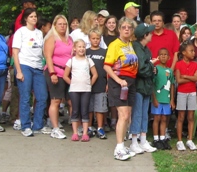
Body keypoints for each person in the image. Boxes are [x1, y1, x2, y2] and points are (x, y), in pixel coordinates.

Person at [105, 17, 139, 161]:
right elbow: (107, 65)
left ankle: (123, 145)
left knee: (128, 115)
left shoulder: (130, 44)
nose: (127, 30)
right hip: (119, 82)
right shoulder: (115, 45)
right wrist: (118, 80)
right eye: (124, 27)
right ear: (119, 29)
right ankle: (118, 148)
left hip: (130, 82)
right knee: (123, 114)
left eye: (129, 28)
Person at [12, 7, 46, 137]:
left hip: (37, 68)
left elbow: (41, 51)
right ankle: (25, 125)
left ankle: (37, 125)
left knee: (42, 97)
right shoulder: (21, 32)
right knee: (25, 97)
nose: (34, 18)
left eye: (35, 16)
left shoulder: (39, 33)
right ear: (26, 18)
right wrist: (19, 71)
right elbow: (15, 53)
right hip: (24, 65)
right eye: (31, 16)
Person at [43, 15, 73, 140]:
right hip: (55, 70)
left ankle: (76, 126)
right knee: (55, 100)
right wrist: (52, 73)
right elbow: (48, 57)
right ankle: (55, 128)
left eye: (64, 24)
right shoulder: (51, 38)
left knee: (71, 100)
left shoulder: (69, 38)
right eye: (60, 24)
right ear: (55, 25)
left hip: (68, 73)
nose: (62, 26)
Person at [130, 23, 157, 153]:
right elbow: (141, 69)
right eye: (150, 33)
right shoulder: (136, 47)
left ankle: (143, 139)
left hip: (146, 85)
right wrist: (151, 67)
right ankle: (134, 141)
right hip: (138, 85)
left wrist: (152, 68)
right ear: (144, 35)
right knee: (137, 113)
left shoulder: (146, 48)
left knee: (145, 113)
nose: (152, 34)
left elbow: (148, 67)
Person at [63, 40, 98, 142]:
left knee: (85, 111)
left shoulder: (88, 60)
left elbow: (95, 74)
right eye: (79, 47)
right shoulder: (71, 61)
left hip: (86, 90)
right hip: (74, 90)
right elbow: (65, 76)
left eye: (83, 47)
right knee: (75, 111)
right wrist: (72, 84)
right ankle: (75, 133)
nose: (81, 49)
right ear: (74, 48)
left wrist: (89, 84)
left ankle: (85, 133)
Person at [175, 41, 197, 151]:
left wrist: (185, 76)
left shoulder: (195, 64)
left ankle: (190, 139)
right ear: (184, 52)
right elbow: (178, 80)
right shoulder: (178, 64)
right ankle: (180, 141)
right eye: (191, 51)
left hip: (192, 92)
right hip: (181, 92)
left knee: (191, 116)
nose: (193, 53)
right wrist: (191, 77)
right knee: (181, 116)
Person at [151, 48, 174, 149]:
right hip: (158, 98)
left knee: (164, 118)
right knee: (157, 118)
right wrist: (154, 99)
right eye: (161, 54)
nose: (163, 56)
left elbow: (172, 85)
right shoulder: (156, 69)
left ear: (169, 57)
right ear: (158, 57)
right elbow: (152, 84)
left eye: (165, 54)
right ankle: (156, 139)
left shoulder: (170, 71)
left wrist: (172, 100)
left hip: (166, 99)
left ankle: (162, 138)